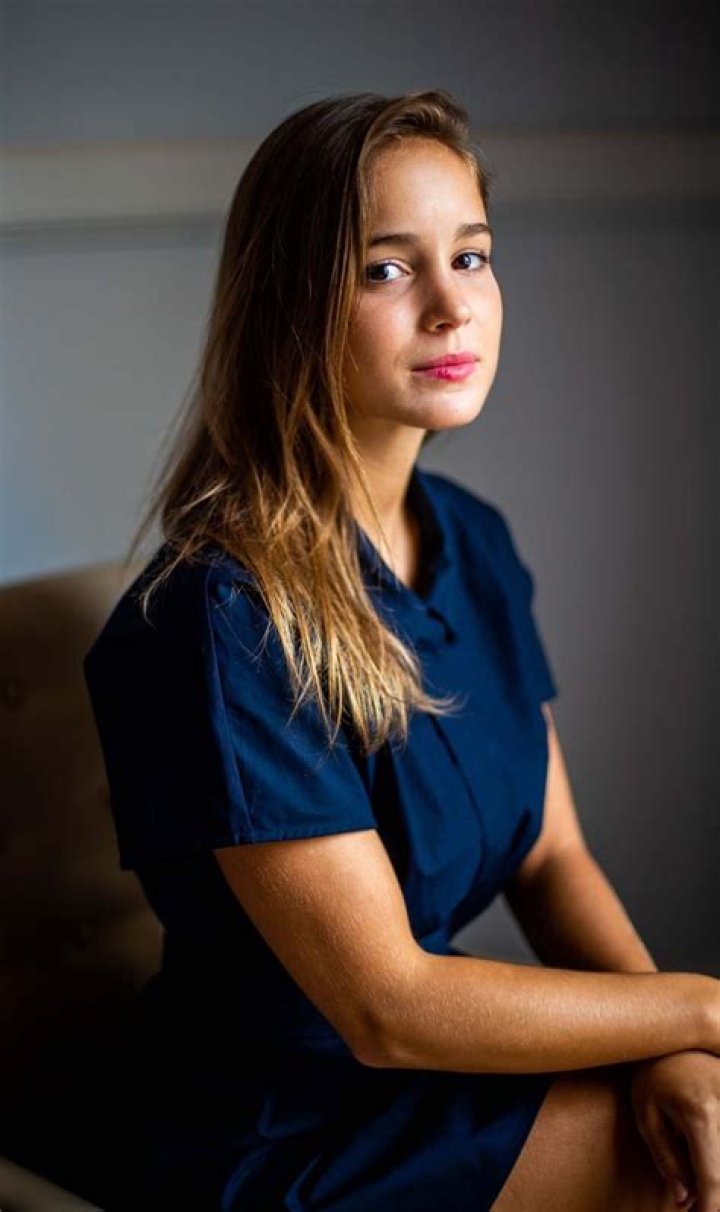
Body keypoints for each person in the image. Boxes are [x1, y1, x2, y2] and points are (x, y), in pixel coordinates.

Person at [83, 90, 720, 1211]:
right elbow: (389, 1009)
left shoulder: (472, 537)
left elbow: (552, 856)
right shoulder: (219, 618)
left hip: (431, 1070)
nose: (450, 306)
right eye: (386, 269)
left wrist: (673, 1046)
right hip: (274, 1134)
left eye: (471, 257)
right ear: (290, 307)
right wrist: (703, 1009)